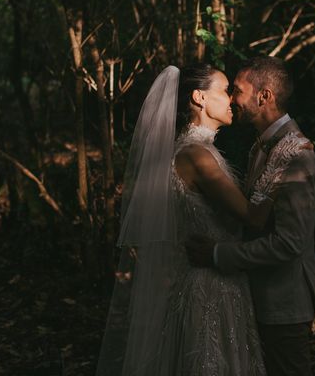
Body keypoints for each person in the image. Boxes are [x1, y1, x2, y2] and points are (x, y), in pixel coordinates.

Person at [96, 63, 283, 376]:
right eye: (225, 91)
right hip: (210, 284)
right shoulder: (196, 155)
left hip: (214, 277)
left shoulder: (191, 150)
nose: (233, 100)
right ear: (200, 98)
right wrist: (282, 161)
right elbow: (252, 217)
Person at [186, 56, 315, 376]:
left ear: (264, 96)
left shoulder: (297, 153)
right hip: (252, 294)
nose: (232, 98)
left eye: (238, 90)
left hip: (283, 301)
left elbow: (289, 243)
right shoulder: (260, 147)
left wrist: (219, 253)